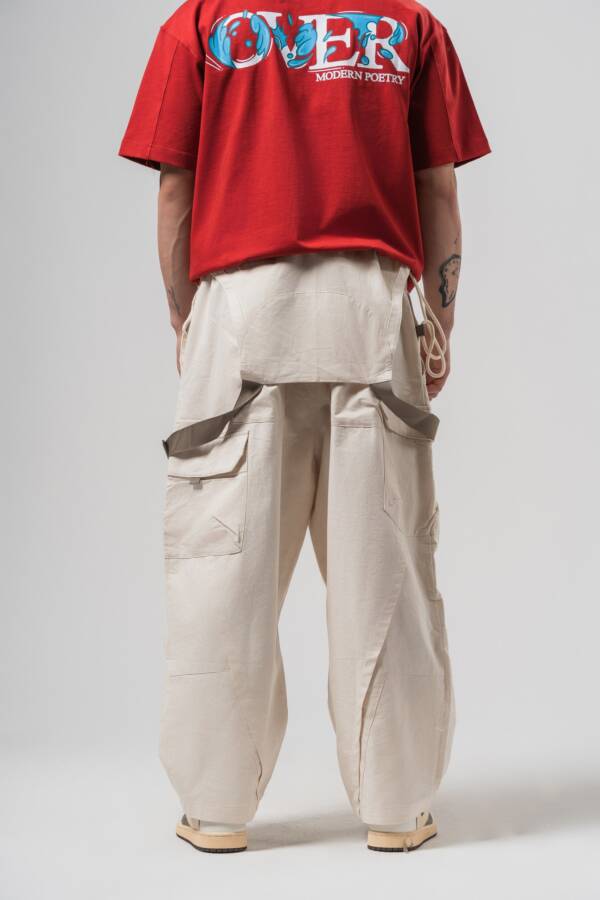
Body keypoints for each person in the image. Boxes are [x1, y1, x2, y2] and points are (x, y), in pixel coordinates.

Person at [119, 0, 490, 854]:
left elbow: (175, 188)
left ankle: (216, 808)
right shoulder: (410, 26)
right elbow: (438, 188)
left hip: (240, 308)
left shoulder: (199, 22)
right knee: (383, 563)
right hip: (370, 307)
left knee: (224, 568)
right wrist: (439, 321)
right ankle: (397, 806)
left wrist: (185, 315)